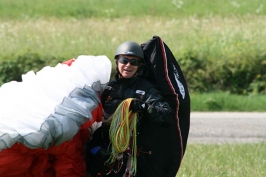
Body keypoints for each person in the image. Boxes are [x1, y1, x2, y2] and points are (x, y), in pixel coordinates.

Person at [86, 41, 181, 177]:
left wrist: (143, 107)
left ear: (139, 66)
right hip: (104, 149)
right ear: (117, 62)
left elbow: (167, 116)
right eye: (124, 60)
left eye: (133, 62)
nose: (128, 65)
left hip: (132, 154)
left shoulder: (146, 89)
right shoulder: (107, 88)